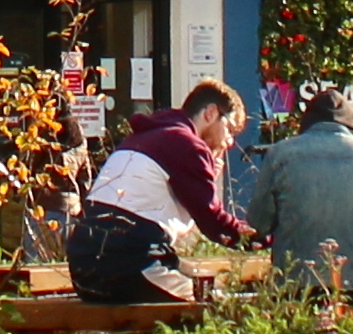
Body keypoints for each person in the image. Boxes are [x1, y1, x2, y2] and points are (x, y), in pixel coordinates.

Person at [69, 79, 250, 306]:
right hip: (127, 266)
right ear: (211, 113)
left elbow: (170, 212)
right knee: (216, 304)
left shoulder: (140, 138)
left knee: (202, 280)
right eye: (230, 129)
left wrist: (206, 176)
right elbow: (214, 223)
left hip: (85, 267)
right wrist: (260, 237)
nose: (230, 141)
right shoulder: (188, 145)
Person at [241, 83, 353, 307]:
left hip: (294, 286)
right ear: (352, 125)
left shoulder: (279, 156)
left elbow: (258, 223)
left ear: (307, 124)